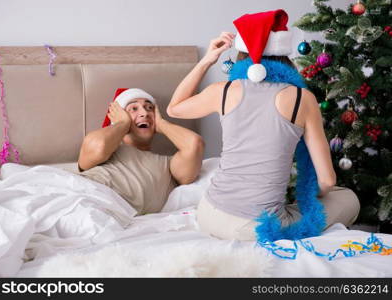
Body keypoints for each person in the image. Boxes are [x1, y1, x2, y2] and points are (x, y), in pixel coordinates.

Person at [167, 9, 360, 241]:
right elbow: (327, 181)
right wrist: (307, 198)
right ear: (284, 52)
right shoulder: (301, 98)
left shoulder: (224, 91)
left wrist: (208, 60)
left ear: (242, 53)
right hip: (255, 228)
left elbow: (173, 108)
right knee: (348, 199)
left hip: (209, 213)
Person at [78, 88, 204, 215]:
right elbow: (99, 146)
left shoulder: (169, 166)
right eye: (133, 108)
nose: (145, 113)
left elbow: (195, 144)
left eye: (150, 108)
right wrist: (123, 123)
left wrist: (161, 123)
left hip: (113, 222)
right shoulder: (108, 151)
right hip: (81, 202)